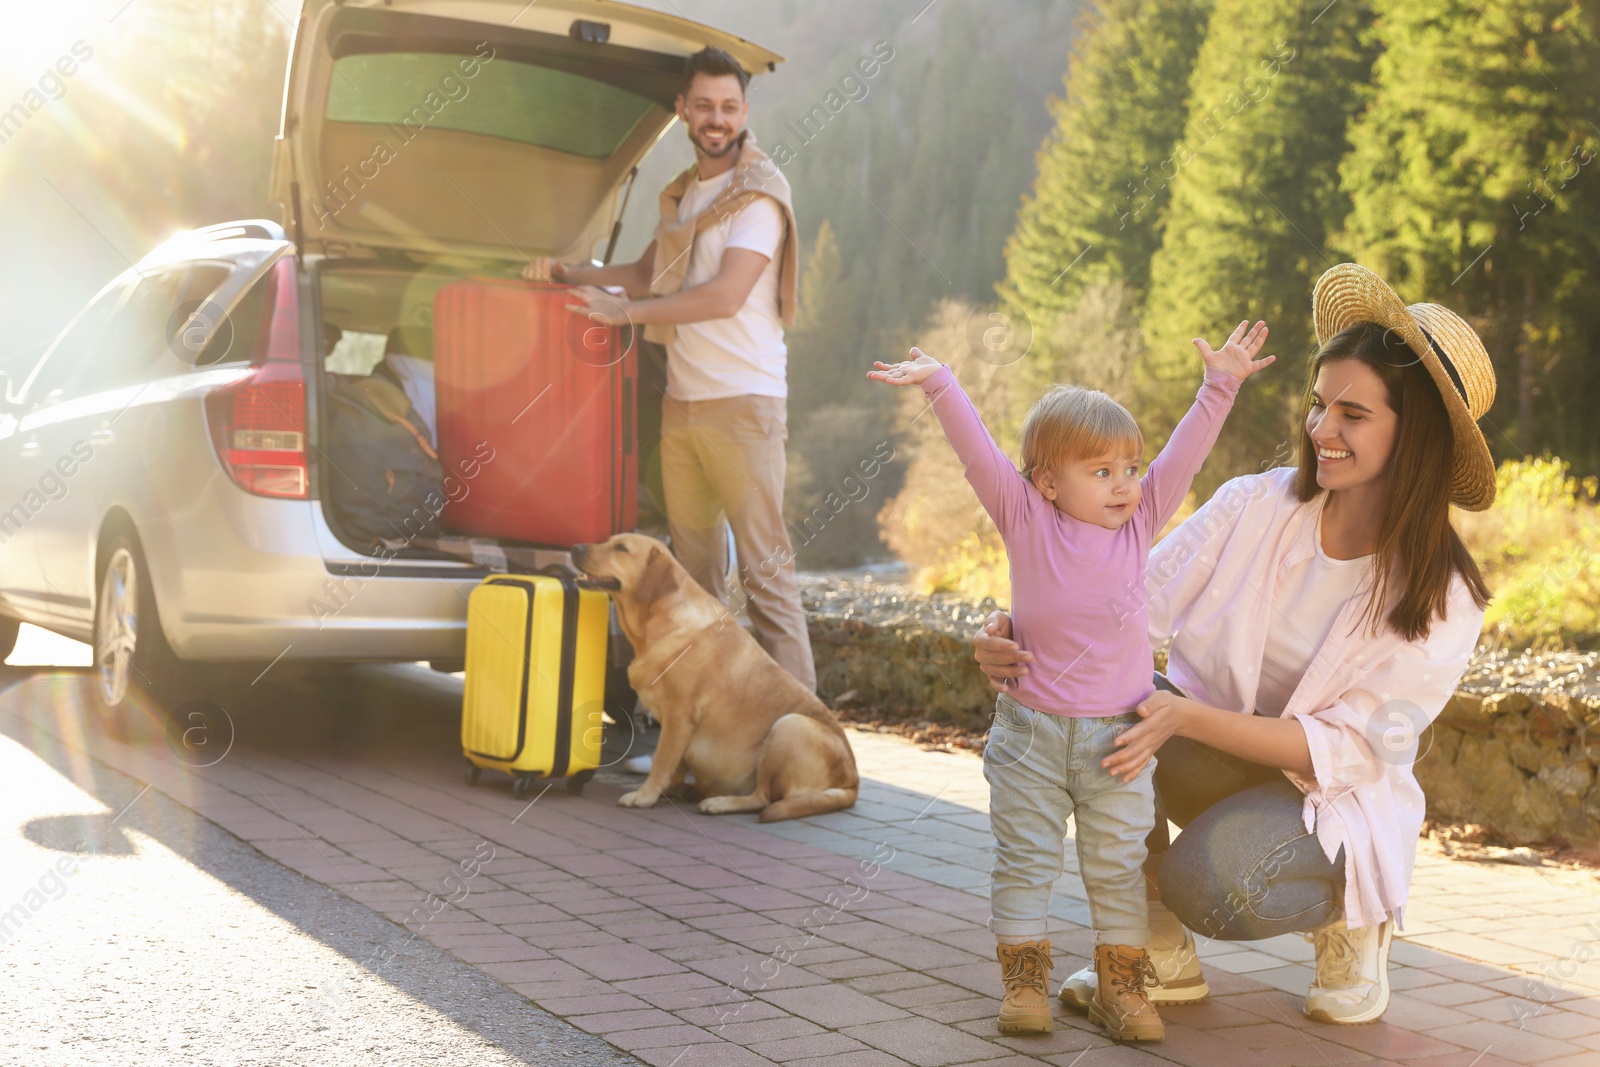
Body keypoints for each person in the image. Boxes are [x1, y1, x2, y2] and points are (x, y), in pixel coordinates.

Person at [972, 263, 1498, 1026]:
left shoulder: (1446, 594)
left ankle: (1351, 918)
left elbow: (1351, 749)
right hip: (1211, 754)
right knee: (1104, 717)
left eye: (1352, 414)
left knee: (1215, 882)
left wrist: (1181, 717)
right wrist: (1010, 634)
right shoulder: (1255, 504)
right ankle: (1158, 941)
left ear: (1412, 433)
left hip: (1326, 799)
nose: (1321, 429)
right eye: (1319, 405)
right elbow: (1123, 607)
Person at [867, 321, 1275, 1041]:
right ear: (1047, 482)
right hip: (1030, 735)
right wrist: (940, 383)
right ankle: (1024, 982)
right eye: (1102, 469)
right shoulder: (1025, 518)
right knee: (1024, 860)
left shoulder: (1141, 520)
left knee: (1118, 869)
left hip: (1116, 740)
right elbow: (979, 456)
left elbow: (1185, 454)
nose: (1126, 482)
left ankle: (1123, 987)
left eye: (1130, 466)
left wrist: (1221, 384)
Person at [521, 48, 813, 710]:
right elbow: (648, 273)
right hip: (683, 408)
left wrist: (628, 316)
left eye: (730, 107)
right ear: (683, 110)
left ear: (745, 112)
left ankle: (804, 728)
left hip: (744, 405)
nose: (717, 119)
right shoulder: (685, 194)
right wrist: (573, 275)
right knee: (697, 584)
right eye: (704, 105)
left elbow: (723, 295)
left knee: (766, 576)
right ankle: (716, 728)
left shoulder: (760, 195)